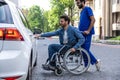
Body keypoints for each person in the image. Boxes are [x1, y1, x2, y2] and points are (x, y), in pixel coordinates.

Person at [75, 0, 100, 71]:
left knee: (85, 50)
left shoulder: (87, 9)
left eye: (78, 2)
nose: (77, 4)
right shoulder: (82, 11)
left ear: (83, 2)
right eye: (76, 3)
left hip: (87, 33)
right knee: (83, 50)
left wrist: (88, 30)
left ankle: (96, 62)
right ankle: (87, 66)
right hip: (82, 33)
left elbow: (93, 20)